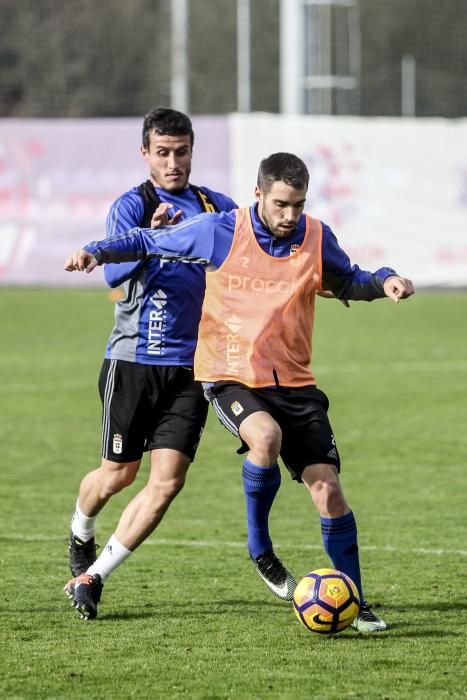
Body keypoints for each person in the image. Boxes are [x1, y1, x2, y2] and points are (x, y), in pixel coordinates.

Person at [65, 151, 414, 632]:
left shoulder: (314, 235)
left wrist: (385, 280)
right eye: (281, 204)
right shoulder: (218, 230)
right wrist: (97, 250)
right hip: (230, 375)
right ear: (258, 194)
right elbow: (148, 238)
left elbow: (347, 278)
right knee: (264, 438)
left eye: (298, 204)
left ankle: (355, 601)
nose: (290, 215)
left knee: (329, 491)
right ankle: (260, 547)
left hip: (294, 380)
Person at [63, 107, 240, 620]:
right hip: (133, 360)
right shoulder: (131, 206)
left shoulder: (215, 206)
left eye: (181, 152)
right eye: (162, 153)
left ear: (192, 151)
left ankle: (94, 578)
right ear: (145, 154)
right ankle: (81, 529)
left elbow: (245, 251)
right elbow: (113, 281)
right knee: (118, 475)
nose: (172, 162)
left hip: (191, 366)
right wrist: (150, 236)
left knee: (167, 481)